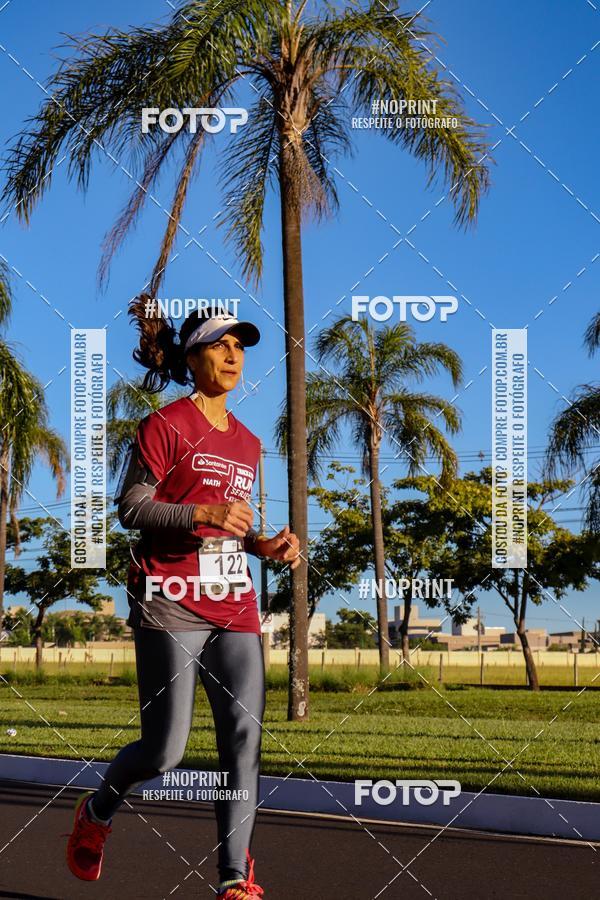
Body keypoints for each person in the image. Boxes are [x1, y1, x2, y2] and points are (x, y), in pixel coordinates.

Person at [65, 299, 300, 898]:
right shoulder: (164, 426)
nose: (232, 355)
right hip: (170, 598)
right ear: (192, 356)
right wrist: (203, 511)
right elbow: (132, 508)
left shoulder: (248, 442)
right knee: (164, 752)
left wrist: (265, 545)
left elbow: (234, 524)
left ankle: (233, 878)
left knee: (244, 738)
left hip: (234, 602)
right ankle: (95, 813)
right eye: (219, 344)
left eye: (239, 346)